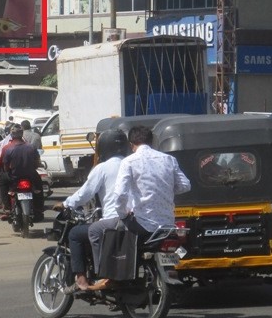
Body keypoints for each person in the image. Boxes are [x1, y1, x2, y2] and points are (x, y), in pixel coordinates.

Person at [87, 125, 190, 291]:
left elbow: (119, 194)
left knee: (95, 230)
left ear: (131, 144)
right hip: (167, 225)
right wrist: (165, 188)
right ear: (151, 141)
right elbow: (185, 185)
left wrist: (122, 214)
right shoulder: (168, 159)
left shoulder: (129, 161)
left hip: (143, 224)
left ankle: (106, 276)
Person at [52, 128, 130, 292]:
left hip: (113, 220)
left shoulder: (103, 168)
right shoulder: (132, 164)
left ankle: (82, 279)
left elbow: (84, 194)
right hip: (135, 220)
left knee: (75, 234)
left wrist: (66, 204)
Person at [0, 124, 45, 221]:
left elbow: (5, 166)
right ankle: (39, 208)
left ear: (11, 135)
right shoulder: (31, 147)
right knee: (39, 185)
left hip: (14, 177)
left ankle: (6, 208)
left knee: (1, 182)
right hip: (31, 176)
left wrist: (7, 171)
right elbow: (37, 162)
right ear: (21, 134)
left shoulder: (7, 148)